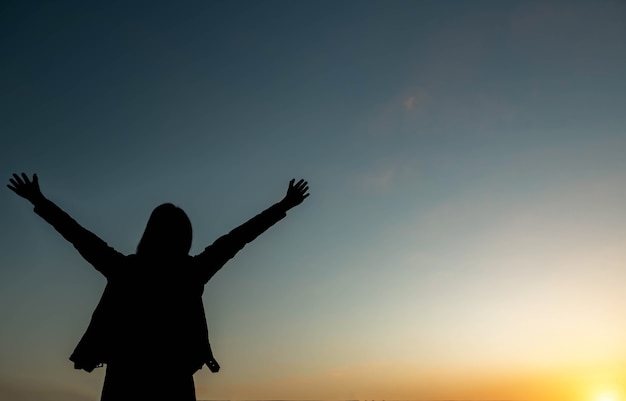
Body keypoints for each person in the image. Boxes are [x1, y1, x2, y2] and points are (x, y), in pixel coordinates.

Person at [7, 172, 309, 401]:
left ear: (149, 233)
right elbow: (239, 237)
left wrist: (40, 201)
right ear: (184, 238)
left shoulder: (126, 269)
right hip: (172, 380)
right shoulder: (190, 271)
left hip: (125, 379)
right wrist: (283, 205)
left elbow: (78, 235)